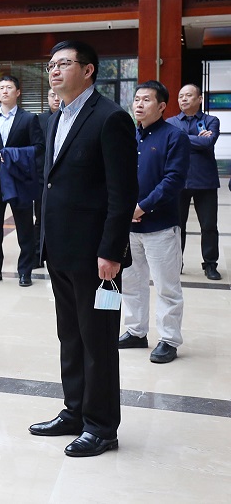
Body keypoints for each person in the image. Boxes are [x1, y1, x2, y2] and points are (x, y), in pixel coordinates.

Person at [29, 40, 137, 458]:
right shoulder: (57, 117)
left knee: (98, 342)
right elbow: (52, 182)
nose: (54, 71)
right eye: (51, 65)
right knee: (70, 337)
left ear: (88, 70)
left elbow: (122, 192)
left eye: (64, 64)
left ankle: (102, 426)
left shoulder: (110, 118)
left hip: (96, 255)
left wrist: (111, 250)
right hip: (60, 249)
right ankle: (74, 410)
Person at [121, 81, 189, 364]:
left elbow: (174, 180)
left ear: (161, 106)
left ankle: (169, 339)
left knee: (166, 286)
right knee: (131, 282)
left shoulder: (175, 136)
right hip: (128, 225)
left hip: (160, 225)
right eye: (137, 99)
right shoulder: (128, 136)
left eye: (146, 100)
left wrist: (142, 207)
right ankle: (136, 332)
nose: (139, 104)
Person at [0, 75, 44, 287]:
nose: (4, 91)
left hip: (19, 180)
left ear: (18, 92)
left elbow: (39, 147)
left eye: (9, 88)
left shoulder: (29, 118)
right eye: (2, 88)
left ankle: (25, 272)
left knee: (24, 229)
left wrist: (15, 154)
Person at [167, 83, 221, 280]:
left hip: (205, 181)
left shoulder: (211, 120)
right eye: (180, 96)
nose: (183, 99)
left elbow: (208, 142)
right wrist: (195, 139)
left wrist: (181, 138)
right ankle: (176, 263)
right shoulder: (171, 122)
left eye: (188, 95)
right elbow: (170, 144)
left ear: (199, 99)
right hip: (178, 181)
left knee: (209, 226)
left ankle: (210, 264)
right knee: (176, 226)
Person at [33, 88, 61, 268]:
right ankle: (38, 254)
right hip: (42, 178)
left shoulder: (69, 117)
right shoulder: (39, 119)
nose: (56, 98)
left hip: (63, 178)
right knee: (40, 218)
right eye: (52, 95)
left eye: (59, 95)